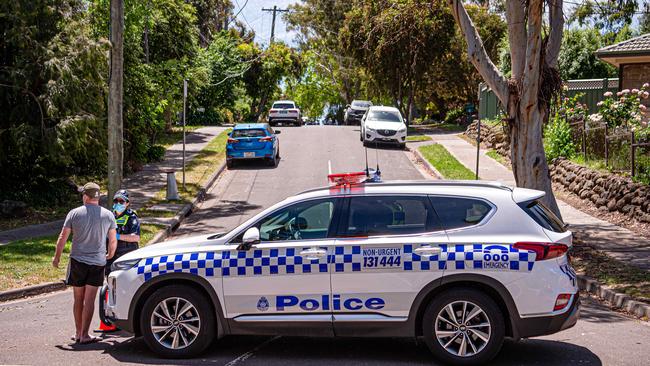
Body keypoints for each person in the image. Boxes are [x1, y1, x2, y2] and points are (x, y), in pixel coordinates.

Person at [52, 182, 117, 345]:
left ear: (86, 197)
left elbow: (62, 237)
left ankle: (78, 333)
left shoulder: (74, 213)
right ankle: (85, 335)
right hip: (98, 263)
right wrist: (110, 253)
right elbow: (113, 239)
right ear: (98, 197)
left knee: (78, 299)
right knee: (90, 300)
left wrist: (57, 257)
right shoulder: (108, 215)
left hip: (77, 262)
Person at [96, 189, 140, 332]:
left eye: (121, 201)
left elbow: (135, 237)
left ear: (127, 203)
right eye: (116, 201)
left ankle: (122, 319)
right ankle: (108, 321)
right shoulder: (109, 216)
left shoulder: (131, 216)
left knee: (122, 287)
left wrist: (117, 236)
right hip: (110, 255)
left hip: (126, 255)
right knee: (109, 285)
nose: (118, 204)